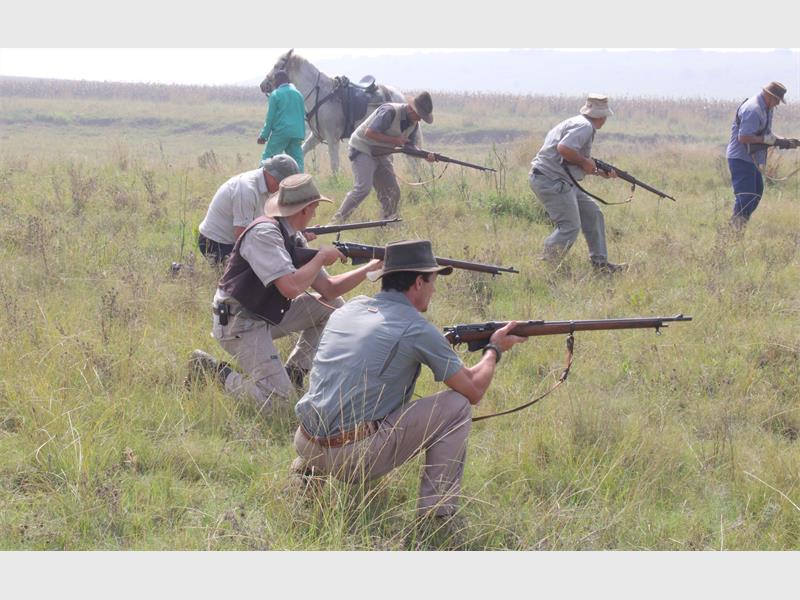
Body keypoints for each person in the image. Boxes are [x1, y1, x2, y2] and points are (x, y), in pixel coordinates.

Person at [292, 239, 527, 526]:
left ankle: (308, 477)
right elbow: (474, 389)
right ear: (418, 283)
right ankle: (437, 515)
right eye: (432, 281)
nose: (434, 289)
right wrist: (494, 349)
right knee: (456, 405)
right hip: (352, 457)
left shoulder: (349, 309)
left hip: (305, 441)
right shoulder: (417, 328)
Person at [187, 173, 382, 416]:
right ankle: (212, 372)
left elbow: (329, 289)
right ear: (306, 209)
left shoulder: (293, 236)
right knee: (280, 405)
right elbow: (289, 287)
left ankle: (295, 373)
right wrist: (321, 256)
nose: (315, 213)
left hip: (262, 315)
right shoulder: (264, 234)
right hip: (239, 323)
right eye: (314, 207)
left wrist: (369, 268)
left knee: (333, 305)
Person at [528, 93, 626, 273]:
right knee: (570, 226)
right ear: (602, 116)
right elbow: (564, 149)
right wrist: (584, 162)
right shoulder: (584, 127)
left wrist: (598, 171)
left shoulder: (577, 123)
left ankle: (600, 264)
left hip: (561, 180)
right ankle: (545, 266)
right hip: (552, 181)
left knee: (593, 213)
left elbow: (571, 159)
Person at [331, 92, 435, 223]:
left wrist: (425, 156)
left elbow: (409, 147)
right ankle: (335, 222)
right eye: (419, 115)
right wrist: (394, 140)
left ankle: (386, 224)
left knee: (393, 192)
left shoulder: (413, 124)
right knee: (363, 188)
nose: (419, 119)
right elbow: (369, 132)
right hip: (363, 148)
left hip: (383, 153)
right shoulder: (389, 111)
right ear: (410, 108)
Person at [197, 155, 299, 264]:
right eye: (282, 183)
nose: (283, 188)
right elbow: (241, 237)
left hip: (242, 239)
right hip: (217, 244)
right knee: (260, 272)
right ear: (270, 174)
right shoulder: (246, 189)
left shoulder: (271, 187)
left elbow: (277, 222)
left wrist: (296, 234)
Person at [725, 81, 789, 229]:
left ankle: (739, 226)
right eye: (777, 100)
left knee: (756, 195)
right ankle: (734, 230)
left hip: (752, 159)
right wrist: (768, 140)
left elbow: (766, 134)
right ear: (769, 95)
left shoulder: (767, 108)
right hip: (740, 158)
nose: (777, 104)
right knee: (747, 196)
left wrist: (782, 141)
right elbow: (744, 137)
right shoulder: (752, 109)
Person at [257, 70, 306, 172]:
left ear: (277, 81)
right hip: (297, 133)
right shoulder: (298, 94)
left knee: (267, 160)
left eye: (273, 80)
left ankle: (259, 184)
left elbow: (270, 118)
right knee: (297, 164)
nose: (273, 83)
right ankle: (301, 185)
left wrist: (263, 136)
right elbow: (302, 114)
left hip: (281, 133)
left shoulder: (275, 95)